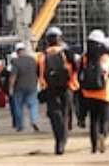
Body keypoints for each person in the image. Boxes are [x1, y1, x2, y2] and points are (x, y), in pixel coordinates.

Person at [37, 25, 78, 156]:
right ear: (59, 38)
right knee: (65, 114)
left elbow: (39, 73)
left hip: (50, 89)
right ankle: (62, 141)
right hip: (67, 87)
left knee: (55, 114)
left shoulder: (42, 55)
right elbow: (76, 67)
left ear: (47, 40)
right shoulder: (67, 53)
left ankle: (58, 139)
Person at [80, 29, 109, 154]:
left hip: (89, 93)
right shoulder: (105, 57)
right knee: (104, 120)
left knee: (93, 120)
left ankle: (94, 146)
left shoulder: (85, 57)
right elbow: (107, 72)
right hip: (104, 93)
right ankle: (103, 136)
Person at [10, 41, 41, 132]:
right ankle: (34, 120)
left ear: (17, 51)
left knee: (18, 106)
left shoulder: (16, 62)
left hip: (19, 87)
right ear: (24, 50)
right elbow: (38, 72)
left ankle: (20, 125)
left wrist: (10, 88)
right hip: (32, 86)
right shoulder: (32, 60)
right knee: (33, 104)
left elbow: (13, 76)